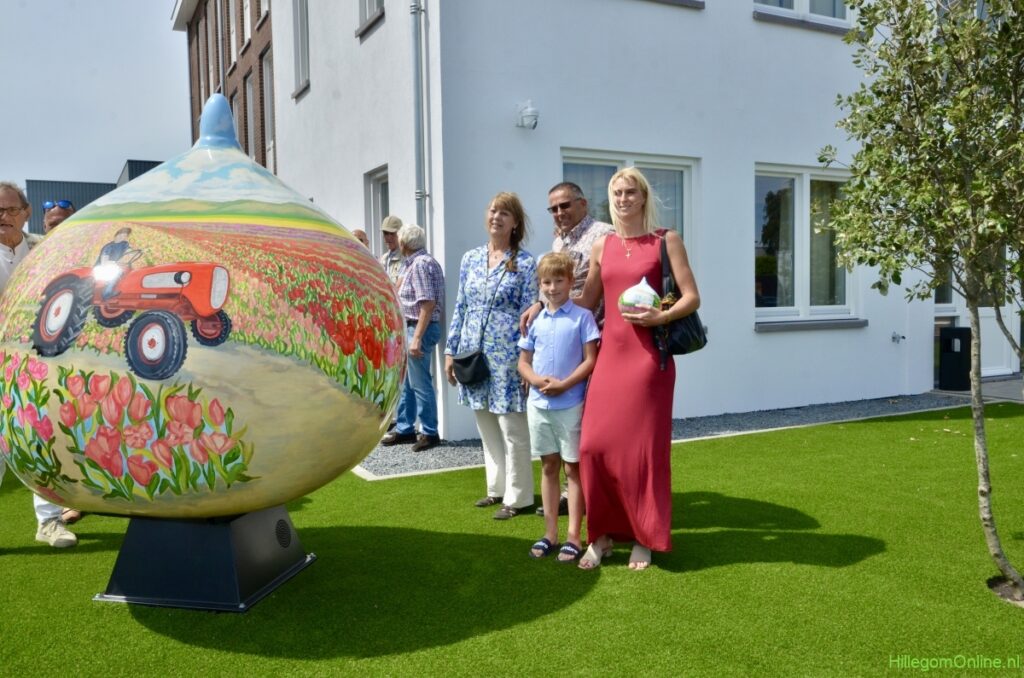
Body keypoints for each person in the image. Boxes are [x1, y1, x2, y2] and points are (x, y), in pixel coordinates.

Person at [574, 167, 700, 571]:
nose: (623, 199)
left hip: (648, 360)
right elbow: (588, 301)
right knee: (593, 447)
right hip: (609, 359)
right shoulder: (603, 245)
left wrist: (662, 317)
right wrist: (544, 304)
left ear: (643, 196)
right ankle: (602, 536)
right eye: (617, 193)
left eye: (630, 192)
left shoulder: (666, 240)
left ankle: (645, 536)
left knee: (643, 452)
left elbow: (691, 297)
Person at [522, 181, 614, 518]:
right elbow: (552, 285)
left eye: (565, 205)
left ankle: (595, 492)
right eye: (554, 208)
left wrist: (547, 306)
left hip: (596, 336)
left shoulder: (604, 234)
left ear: (583, 204)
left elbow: (597, 293)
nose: (559, 212)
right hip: (562, 340)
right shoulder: (560, 240)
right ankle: (572, 494)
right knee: (569, 426)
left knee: (589, 424)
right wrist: (539, 305)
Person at [444, 192, 538, 520]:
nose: (496, 217)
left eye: (504, 213)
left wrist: (526, 360)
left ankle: (519, 496)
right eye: (493, 211)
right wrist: (450, 350)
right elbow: (461, 306)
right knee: (485, 423)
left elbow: (530, 315)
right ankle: (496, 488)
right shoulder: (470, 258)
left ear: (515, 223)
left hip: (508, 357)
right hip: (473, 353)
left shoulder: (525, 263)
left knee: (512, 427)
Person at [0, 181, 78, 548]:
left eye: (11, 210)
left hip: (34, 364)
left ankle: (49, 522)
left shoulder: (45, 250)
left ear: (26, 213)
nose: (3, 217)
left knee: (41, 440)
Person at [518, 252, 599, 561]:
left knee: (572, 469)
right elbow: (523, 362)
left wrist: (564, 385)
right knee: (549, 465)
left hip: (570, 405)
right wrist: (536, 380)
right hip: (539, 405)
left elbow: (590, 360)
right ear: (540, 285)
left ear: (571, 281)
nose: (553, 288)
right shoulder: (535, 320)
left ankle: (574, 536)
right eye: (547, 282)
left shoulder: (582, 317)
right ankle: (550, 533)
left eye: (559, 281)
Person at [381, 223, 444, 452]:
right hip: (411, 327)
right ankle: (405, 428)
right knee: (408, 383)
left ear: (404, 242)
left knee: (419, 382)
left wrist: (416, 338)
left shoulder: (420, 264)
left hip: (418, 327)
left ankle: (430, 432)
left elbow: (427, 303)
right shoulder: (414, 263)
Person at [95, 227, 142, 300]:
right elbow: (104, 262)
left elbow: (130, 251)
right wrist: (115, 263)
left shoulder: (124, 244)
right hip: (103, 267)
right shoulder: (108, 247)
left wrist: (137, 251)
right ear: (116, 235)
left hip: (115, 265)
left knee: (129, 271)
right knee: (115, 273)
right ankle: (106, 294)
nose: (123, 237)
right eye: (121, 235)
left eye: (125, 236)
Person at [379, 215, 403, 284]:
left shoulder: (406, 258)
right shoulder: (383, 259)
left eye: (392, 234)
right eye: (386, 233)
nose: (389, 237)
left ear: (400, 234)